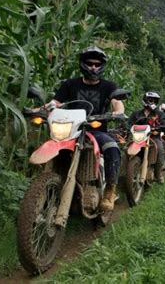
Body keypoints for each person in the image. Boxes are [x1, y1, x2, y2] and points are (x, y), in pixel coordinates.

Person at [44, 46, 125, 211]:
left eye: (97, 64)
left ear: (102, 66)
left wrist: (118, 112)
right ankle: (45, 189)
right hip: (71, 129)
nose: (93, 67)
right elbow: (57, 101)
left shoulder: (109, 86)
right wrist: (47, 107)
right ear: (83, 64)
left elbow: (117, 102)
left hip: (95, 130)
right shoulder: (70, 84)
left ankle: (110, 190)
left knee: (112, 147)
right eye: (89, 63)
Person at [127, 91, 165, 183]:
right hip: (138, 137)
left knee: (161, 149)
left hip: (153, 137)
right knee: (126, 149)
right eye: (149, 100)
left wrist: (161, 128)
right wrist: (127, 128)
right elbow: (128, 123)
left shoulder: (159, 114)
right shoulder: (136, 114)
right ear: (145, 100)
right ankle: (124, 173)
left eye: (154, 100)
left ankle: (158, 174)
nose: (151, 102)